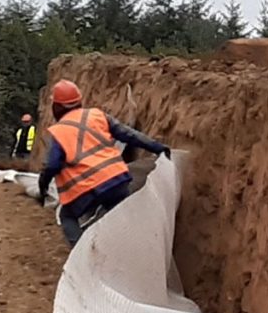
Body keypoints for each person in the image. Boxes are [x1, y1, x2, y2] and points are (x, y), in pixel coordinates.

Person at [38, 79, 171, 247]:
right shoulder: (97, 115)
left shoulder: (58, 132)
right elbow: (129, 135)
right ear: (79, 101)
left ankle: (83, 255)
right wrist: (158, 147)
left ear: (56, 106)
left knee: (68, 217)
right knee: (118, 216)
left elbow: (51, 166)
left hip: (84, 190)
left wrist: (42, 188)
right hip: (117, 180)